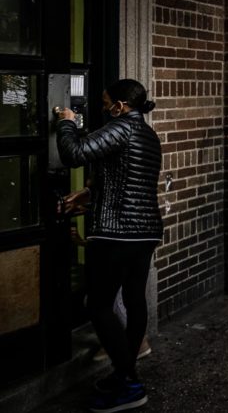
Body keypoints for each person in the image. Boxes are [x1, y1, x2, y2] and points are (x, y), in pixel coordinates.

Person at [57, 79, 162, 413]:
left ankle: (129, 382)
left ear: (121, 105)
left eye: (106, 103)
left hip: (118, 233)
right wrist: (89, 196)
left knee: (99, 306)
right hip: (144, 232)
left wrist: (66, 123)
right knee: (134, 300)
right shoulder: (148, 135)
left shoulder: (122, 127)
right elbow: (123, 179)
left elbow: (73, 154)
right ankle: (123, 375)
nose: (103, 108)